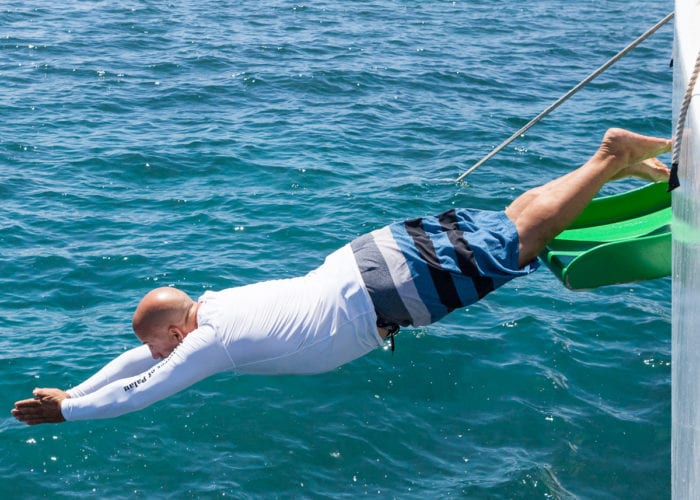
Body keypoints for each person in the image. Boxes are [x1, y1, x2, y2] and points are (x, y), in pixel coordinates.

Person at [11, 128, 672, 425]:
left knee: (522, 242)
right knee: (507, 225)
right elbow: (138, 356)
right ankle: (609, 167)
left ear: (178, 329)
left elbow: (139, 392)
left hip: (391, 289)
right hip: (372, 255)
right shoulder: (214, 307)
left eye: (160, 343)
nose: (155, 355)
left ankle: (607, 155)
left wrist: (71, 413)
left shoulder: (209, 344)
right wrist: (76, 387)